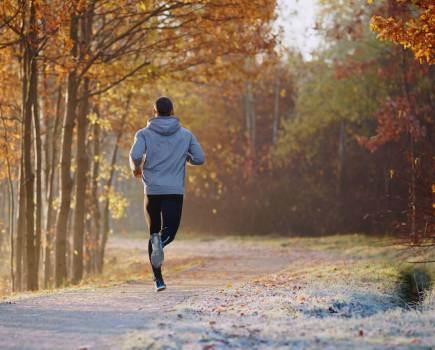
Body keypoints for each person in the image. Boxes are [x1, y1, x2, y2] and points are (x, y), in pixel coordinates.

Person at [129, 96, 205, 291]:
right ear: (172, 112)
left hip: (152, 190)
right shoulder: (186, 135)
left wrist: (136, 168)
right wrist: (185, 156)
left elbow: (135, 155)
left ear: (155, 113)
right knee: (168, 232)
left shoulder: (143, 133)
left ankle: (158, 280)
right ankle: (160, 245)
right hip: (173, 191)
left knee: (154, 233)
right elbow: (200, 158)